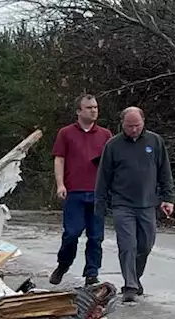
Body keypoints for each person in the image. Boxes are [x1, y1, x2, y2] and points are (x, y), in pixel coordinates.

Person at [94, 107, 175, 304]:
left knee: (145, 245)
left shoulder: (155, 142)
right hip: (122, 204)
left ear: (143, 122)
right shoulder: (113, 145)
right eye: (129, 126)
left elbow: (165, 171)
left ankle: (136, 277)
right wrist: (100, 203)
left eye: (137, 125)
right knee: (127, 245)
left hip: (148, 203)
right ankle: (129, 285)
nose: (134, 130)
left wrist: (168, 198)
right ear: (122, 124)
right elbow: (103, 177)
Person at [50, 94, 112, 286]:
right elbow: (59, 159)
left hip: (97, 193)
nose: (93, 110)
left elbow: (112, 163)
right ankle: (63, 264)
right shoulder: (66, 133)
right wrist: (60, 184)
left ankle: (91, 274)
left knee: (95, 237)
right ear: (78, 111)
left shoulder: (105, 135)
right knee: (72, 233)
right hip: (74, 191)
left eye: (95, 107)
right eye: (88, 107)